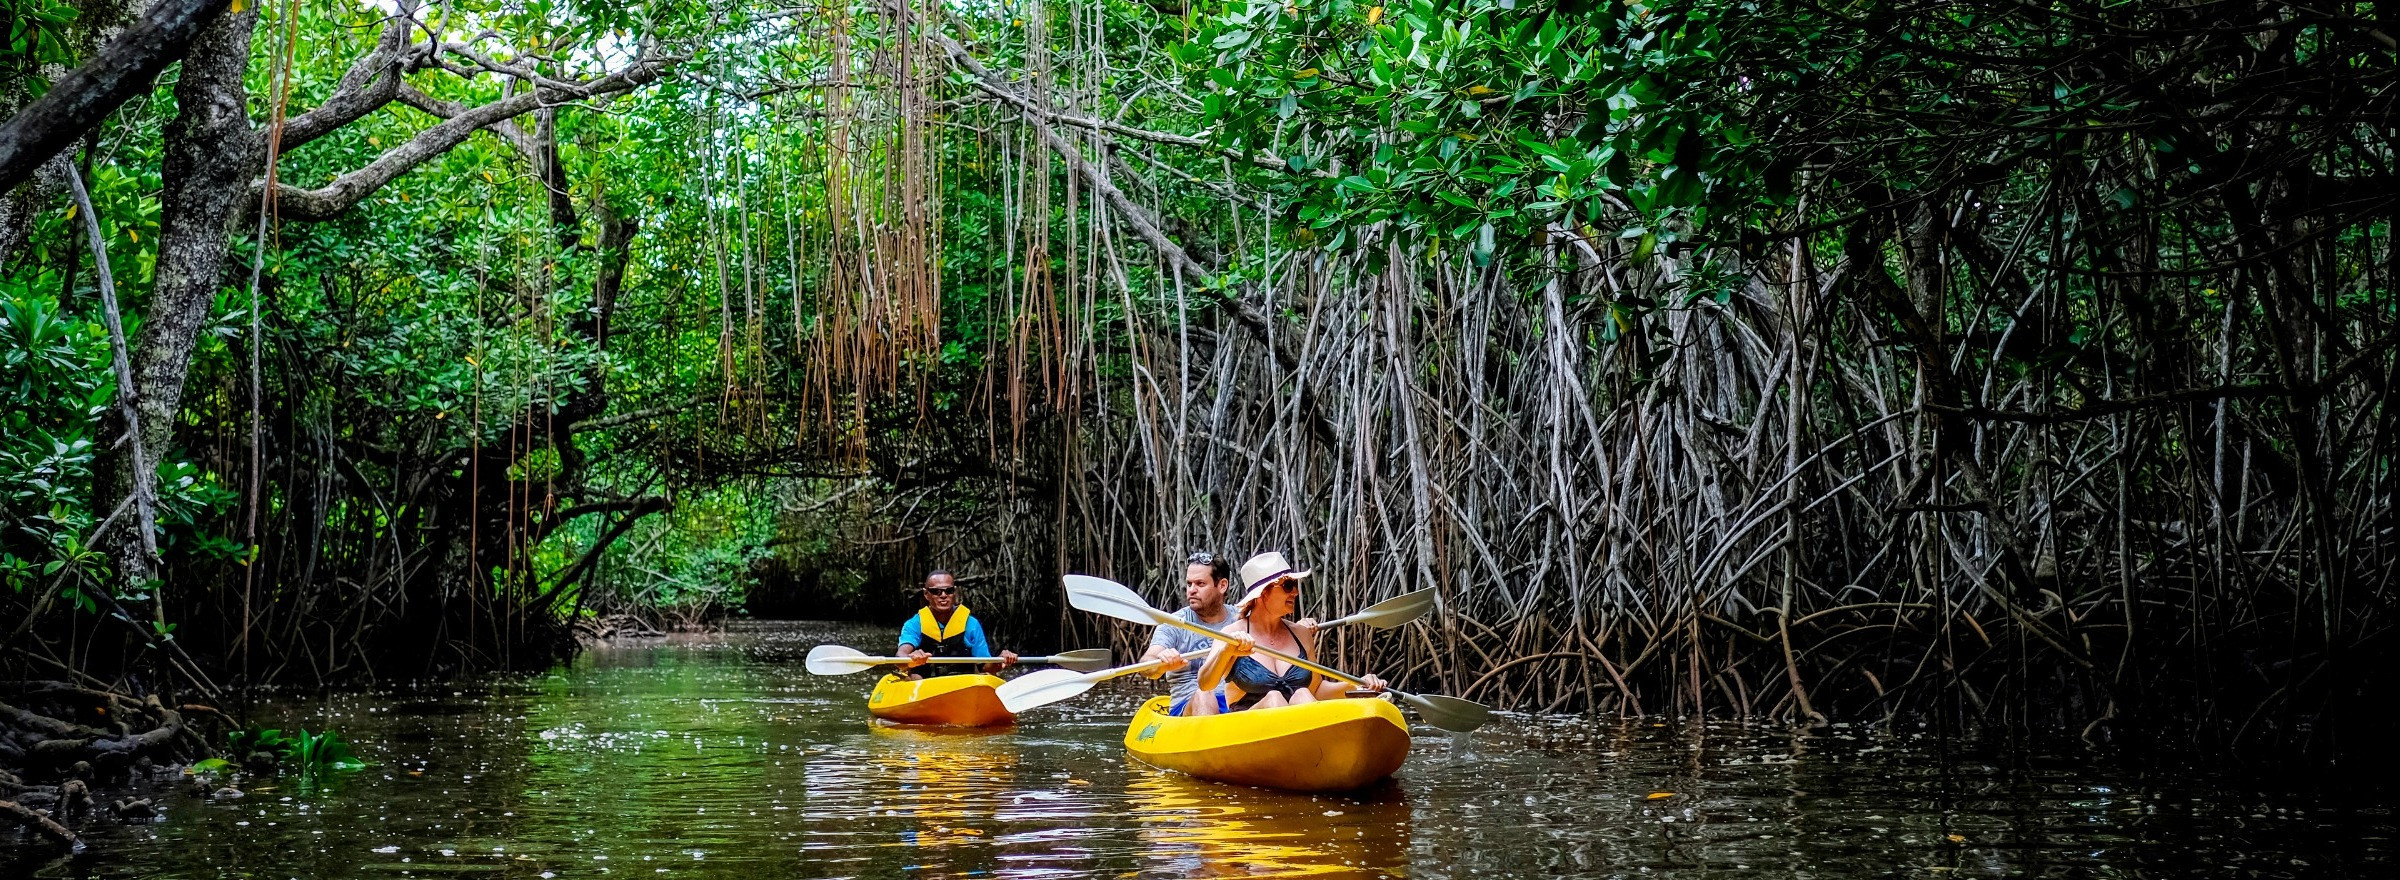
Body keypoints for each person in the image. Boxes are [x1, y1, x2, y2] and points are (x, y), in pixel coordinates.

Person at [1193, 552, 1385, 713]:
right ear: (1263, 593)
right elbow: (1205, 684)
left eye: (1294, 585)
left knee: (1302, 694)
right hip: (1249, 729)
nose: (1295, 592)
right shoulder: (1231, 634)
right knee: (1274, 698)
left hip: (1295, 726)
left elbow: (1316, 690)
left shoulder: (1301, 634)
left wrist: (1355, 685)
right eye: (1287, 586)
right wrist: (1225, 650)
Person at [1139, 552, 1236, 715]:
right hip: (1189, 705)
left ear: (1222, 586)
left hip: (1234, 704)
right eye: (1189, 584)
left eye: (1200, 584)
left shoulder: (1241, 618)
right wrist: (1160, 662)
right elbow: (1147, 665)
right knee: (1205, 694)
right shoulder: (1174, 623)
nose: (1191, 590)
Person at [897, 570, 1017, 678]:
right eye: (936, 592)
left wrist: (1001, 660)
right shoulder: (914, 624)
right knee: (914, 677)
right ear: (926, 594)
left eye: (948, 591)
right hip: (924, 687)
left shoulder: (971, 624)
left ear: (954, 592)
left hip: (960, 687)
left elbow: (986, 667)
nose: (943, 595)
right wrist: (911, 658)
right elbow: (900, 656)